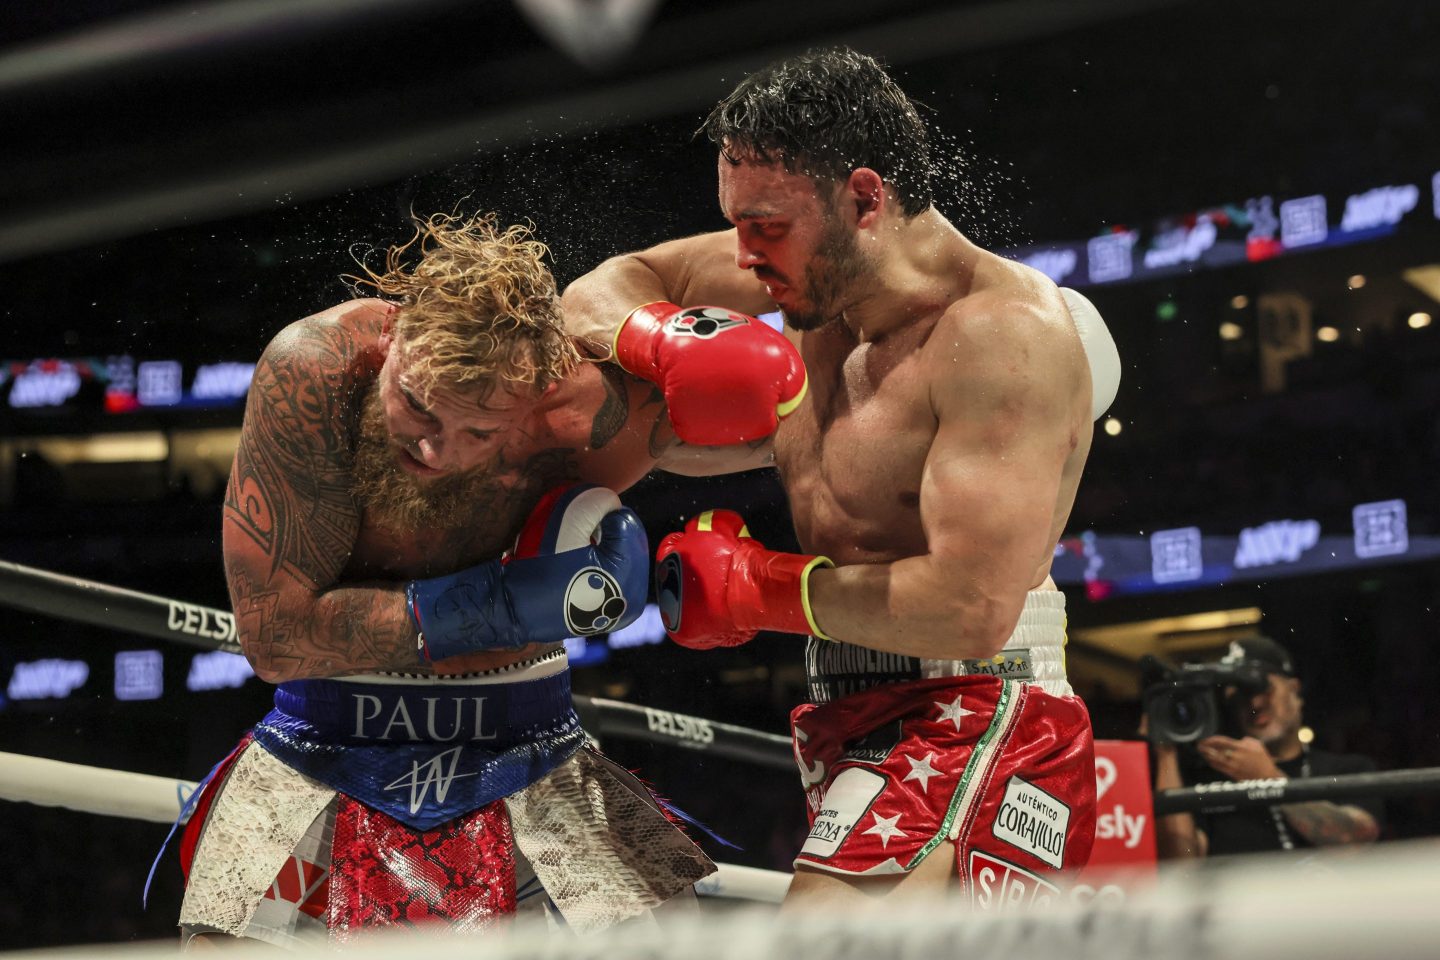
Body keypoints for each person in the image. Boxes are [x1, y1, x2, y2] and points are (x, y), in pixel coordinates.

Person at [561, 47, 1121, 908]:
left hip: (978, 705)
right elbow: (601, 291)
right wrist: (656, 337)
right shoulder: (808, 285)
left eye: (766, 227)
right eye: (736, 223)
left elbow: (970, 608)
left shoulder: (1000, 335)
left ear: (864, 198)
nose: (744, 257)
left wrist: (755, 588)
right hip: (852, 709)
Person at [178, 211, 803, 946]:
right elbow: (275, 637)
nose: (435, 450)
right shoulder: (316, 373)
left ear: (537, 401)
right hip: (322, 749)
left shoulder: (588, 418)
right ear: (396, 339)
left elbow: (801, 419)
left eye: (478, 432)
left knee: (664, 940)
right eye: (416, 405)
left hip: (529, 742)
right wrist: (502, 607)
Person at [1153, 636, 1383, 858]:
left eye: (1263, 687)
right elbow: (1180, 862)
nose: (1255, 703)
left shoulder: (1347, 769)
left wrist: (1267, 778)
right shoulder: (1208, 783)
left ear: (1294, 690)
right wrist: (1166, 752)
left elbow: (1354, 840)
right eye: (1241, 694)